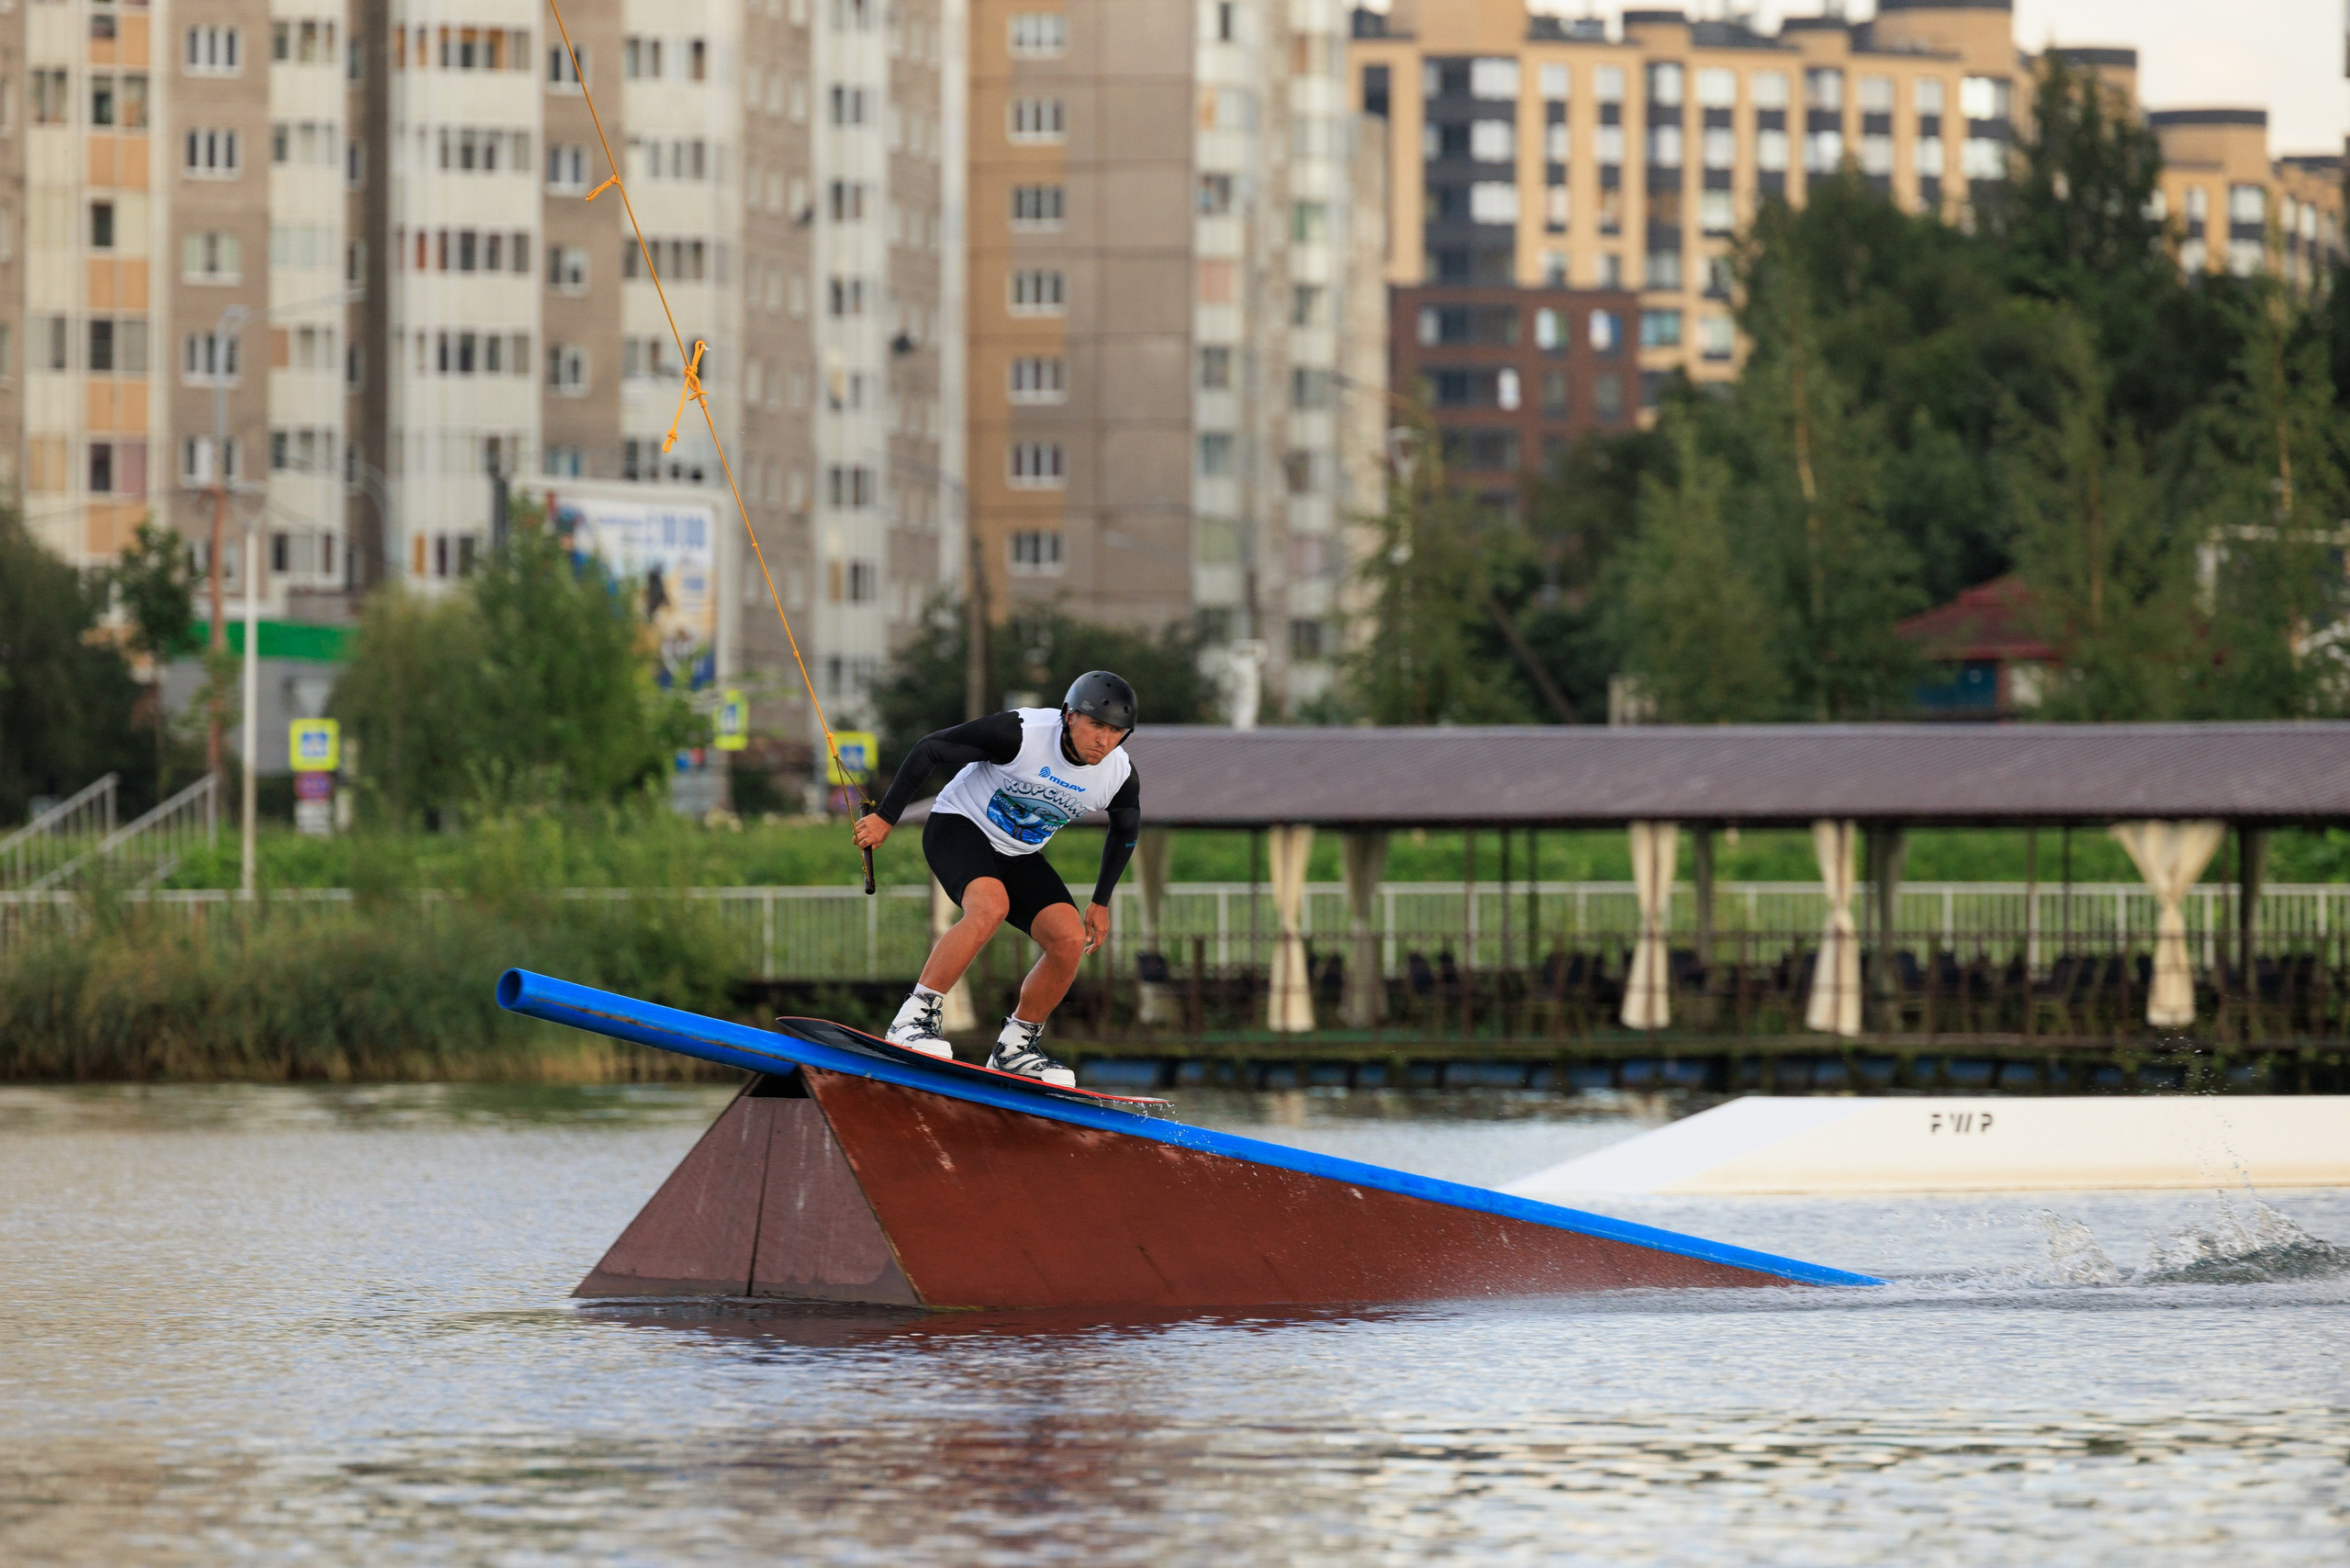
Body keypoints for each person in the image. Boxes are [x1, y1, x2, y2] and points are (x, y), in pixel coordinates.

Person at [852, 671, 1141, 1086]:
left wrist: (1100, 900)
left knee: (1069, 939)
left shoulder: (1118, 775)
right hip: (959, 826)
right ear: (1068, 716)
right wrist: (886, 817)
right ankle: (912, 1020)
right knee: (990, 907)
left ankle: (1014, 1049)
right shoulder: (1021, 734)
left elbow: (1125, 830)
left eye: (1116, 732)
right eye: (1096, 725)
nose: (1104, 740)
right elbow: (930, 748)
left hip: (1018, 854)